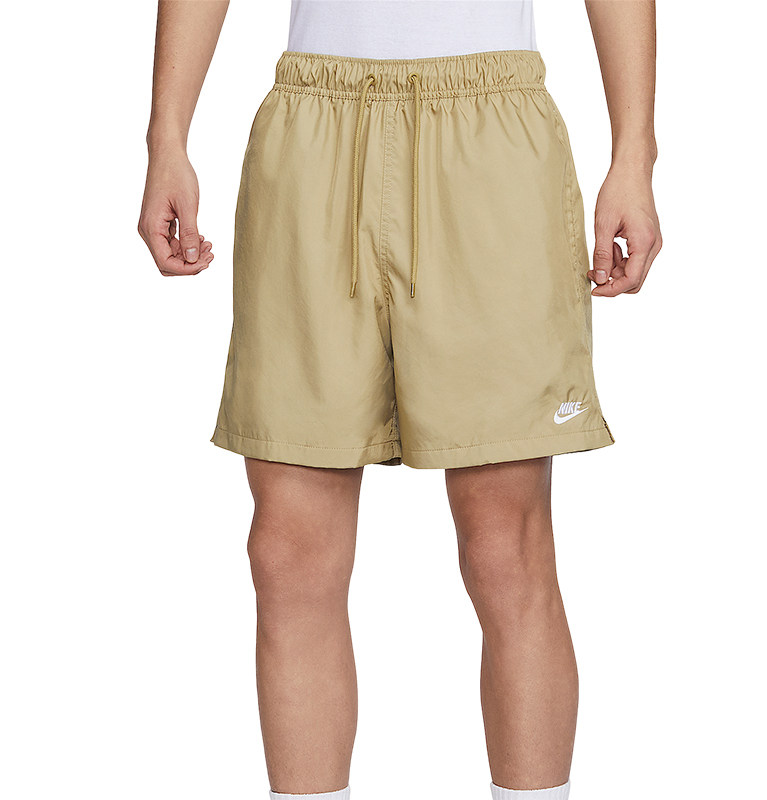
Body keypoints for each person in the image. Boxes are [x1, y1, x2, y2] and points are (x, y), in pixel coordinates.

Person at [138, 1, 661, 798]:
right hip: (312, 125)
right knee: (287, 552)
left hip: (489, 131)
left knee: (505, 544)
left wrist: (634, 153)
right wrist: (166, 137)